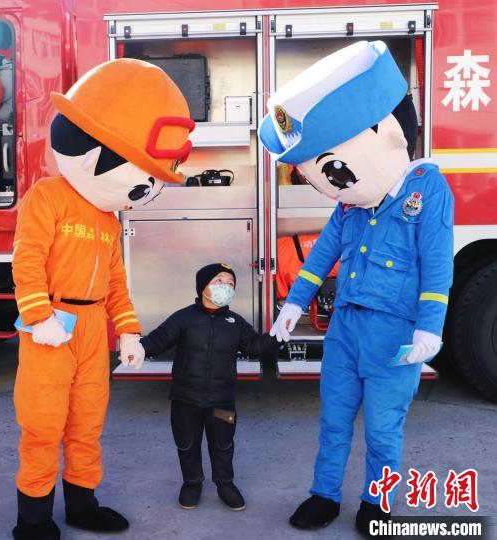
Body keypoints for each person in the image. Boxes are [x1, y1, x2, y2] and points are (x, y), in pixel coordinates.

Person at [258, 41, 453, 536]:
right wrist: (292, 305)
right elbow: (324, 253)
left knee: (384, 428)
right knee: (334, 420)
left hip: (394, 334)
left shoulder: (427, 188)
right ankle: (324, 495)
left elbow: (437, 265)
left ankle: (377, 502)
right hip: (345, 328)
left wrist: (430, 329)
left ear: (390, 133)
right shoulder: (351, 203)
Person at [12, 58, 194, 540]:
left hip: (92, 329)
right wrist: (38, 315)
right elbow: (27, 259)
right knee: (43, 424)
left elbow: (115, 281)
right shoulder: (48, 196)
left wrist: (129, 332)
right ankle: (33, 518)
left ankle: (82, 504)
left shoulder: (107, 219)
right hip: (50, 326)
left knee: (87, 420)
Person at [138, 263, 277, 512]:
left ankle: (225, 484)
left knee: (223, 444)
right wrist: (137, 347)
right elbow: (159, 339)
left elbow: (254, 346)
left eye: (231, 283)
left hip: (222, 400)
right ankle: (192, 483)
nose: (226, 286)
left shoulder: (235, 322)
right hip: (185, 397)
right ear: (203, 286)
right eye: (219, 281)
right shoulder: (184, 317)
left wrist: (277, 335)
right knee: (187, 443)